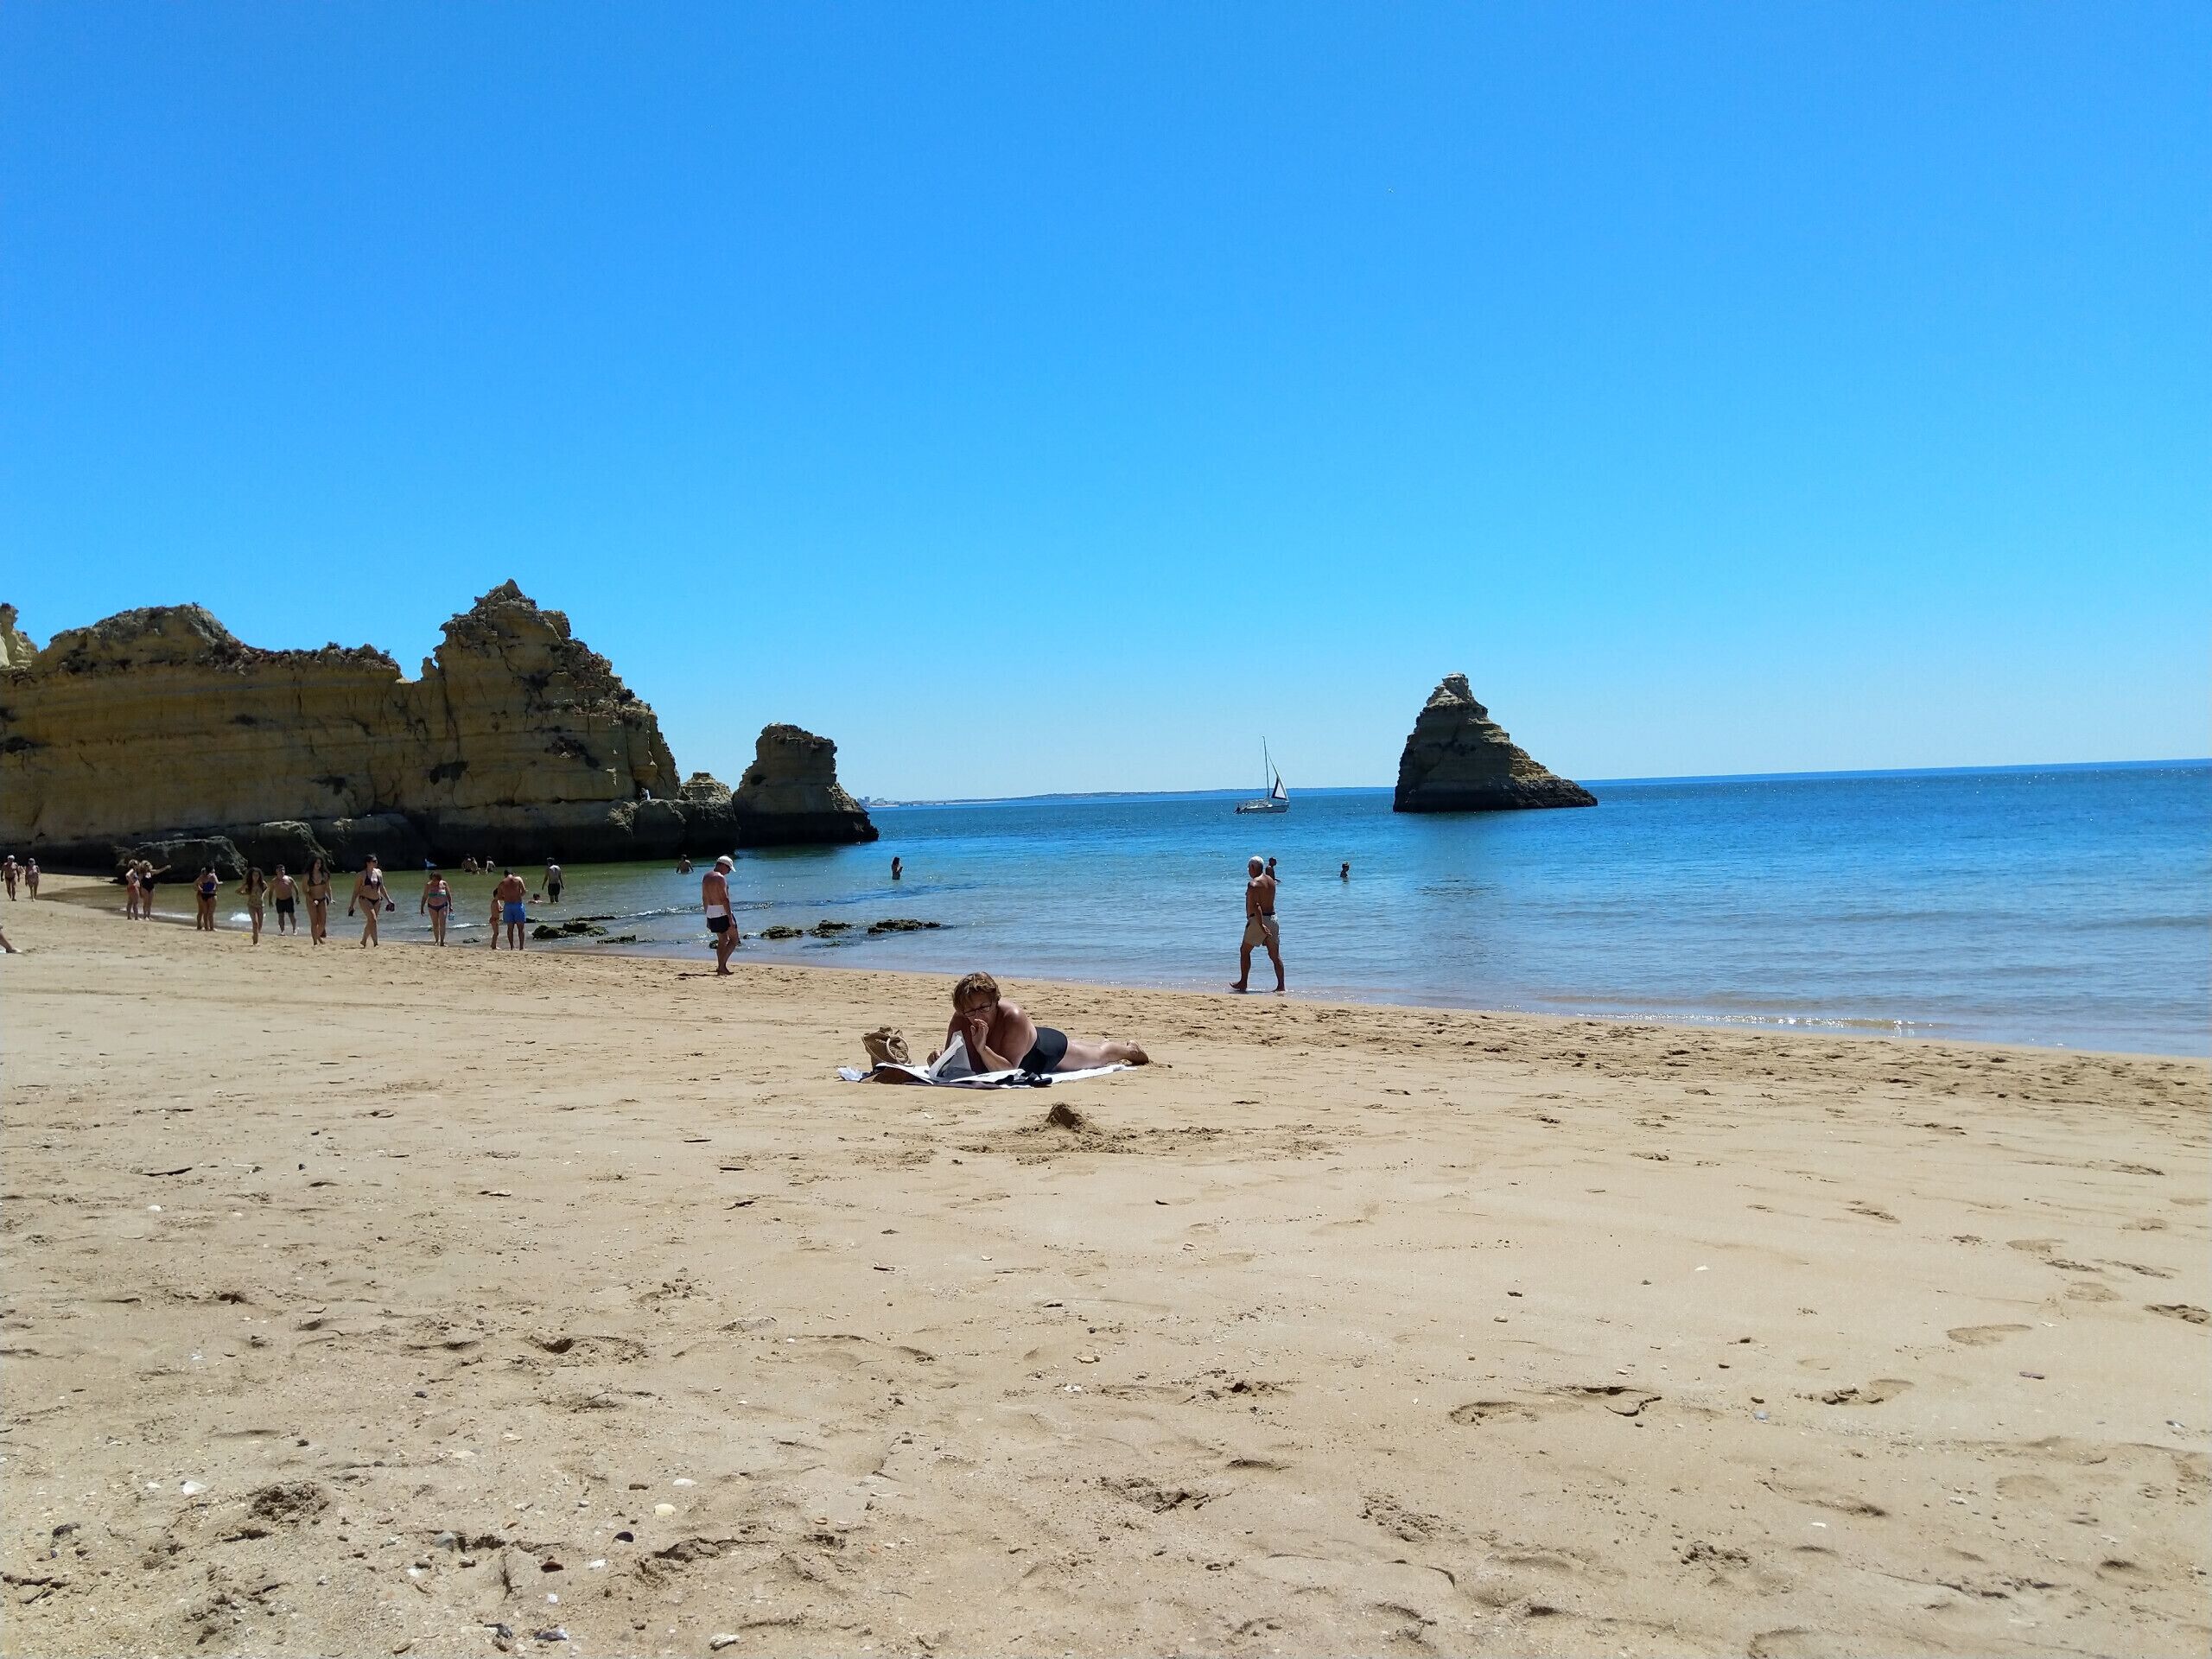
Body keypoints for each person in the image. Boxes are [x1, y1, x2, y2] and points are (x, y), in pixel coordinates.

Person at [934, 971, 1148, 1075]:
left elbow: (1008, 1071)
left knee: (1099, 1056)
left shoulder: (1013, 1016)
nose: (976, 1015)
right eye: (969, 1010)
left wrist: (982, 1048)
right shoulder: (961, 1018)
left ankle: (1130, 1050)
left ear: (995, 1001)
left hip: (1044, 1051)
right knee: (1086, 1049)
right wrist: (940, 1061)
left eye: (984, 1007)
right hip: (1021, 1043)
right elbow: (956, 1063)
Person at [1230, 855, 1283, 995]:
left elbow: (1256, 906)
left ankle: (1243, 983)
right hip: (1273, 918)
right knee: (1275, 955)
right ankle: (1281, 986)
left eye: (1249, 867)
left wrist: (1261, 926)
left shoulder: (1253, 884)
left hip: (1258, 920)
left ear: (1253, 867)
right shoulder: (1271, 881)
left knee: (1244, 950)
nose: (1248, 870)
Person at [701, 855, 740, 974]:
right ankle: (722, 966)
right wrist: (730, 918)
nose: (728, 872)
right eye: (728, 869)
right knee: (734, 939)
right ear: (723, 865)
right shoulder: (720, 878)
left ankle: (720, 966)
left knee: (722, 939)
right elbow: (724, 899)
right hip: (722, 911)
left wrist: (707, 915)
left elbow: (704, 898)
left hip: (711, 911)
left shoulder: (706, 876)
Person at [349, 855, 394, 946]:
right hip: (365, 899)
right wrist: (352, 905)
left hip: (377, 900)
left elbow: (382, 887)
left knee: (371, 921)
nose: (376, 862)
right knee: (373, 920)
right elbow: (356, 891)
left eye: (376, 861)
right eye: (374, 861)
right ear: (368, 863)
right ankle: (376, 943)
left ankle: (364, 940)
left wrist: (389, 900)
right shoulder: (361, 875)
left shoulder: (378, 872)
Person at [494, 868, 530, 950]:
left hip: (508, 906)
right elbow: (524, 891)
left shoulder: (502, 883)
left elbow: (499, 897)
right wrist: (517, 896)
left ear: (505, 875)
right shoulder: (518, 879)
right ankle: (521, 947)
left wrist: (507, 898)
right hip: (518, 905)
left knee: (510, 928)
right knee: (521, 928)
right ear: (513, 873)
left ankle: (512, 947)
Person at [421, 870, 454, 944]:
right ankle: (436, 940)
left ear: (439, 879)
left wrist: (451, 905)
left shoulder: (444, 884)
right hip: (432, 906)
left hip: (443, 906)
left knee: (443, 923)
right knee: (435, 924)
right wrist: (422, 907)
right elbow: (424, 897)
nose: (434, 881)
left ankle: (442, 942)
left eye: (436, 880)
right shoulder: (428, 885)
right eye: (433, 879)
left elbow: (449, 895)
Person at [304, 860, 333, 944]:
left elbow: (328, 887)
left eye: (320, 863)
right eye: (316, 863)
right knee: (314, 922)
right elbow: (304, 890)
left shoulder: (325, 875)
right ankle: (315, 942)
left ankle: (317, 936)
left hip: (322, 899)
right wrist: (312, 900)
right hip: (311, 900)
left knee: (322, 923)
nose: (318, 865)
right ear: (312, 864)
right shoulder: (307, 876)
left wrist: (331, 898)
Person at [237, 866, 268, 944]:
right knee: (255, 922)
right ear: (251, 876)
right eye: (254, 875)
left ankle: (255, 935)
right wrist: (246, 893)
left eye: (257, 875)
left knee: (260, 925)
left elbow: (266, 888)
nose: (256, 877)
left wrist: (263, 895)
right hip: (251, 905)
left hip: (260, 905)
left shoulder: (262, 883)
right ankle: (255, 941)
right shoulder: (248, 884)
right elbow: (237, 891)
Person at [270, 865, 299, 934]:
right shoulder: (274, 881)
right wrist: (270, 900)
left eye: (283, 870)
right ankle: (282, 931)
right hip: (279, 900)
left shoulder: (289, 879)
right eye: (280, 870)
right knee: (280, 916)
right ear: (276, 872)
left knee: (291, 915)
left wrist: (297, 897)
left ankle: (294, 929)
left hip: (289, 899)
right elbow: (271, 891)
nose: (282, 871)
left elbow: (296, 888)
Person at [194, 866, 220, 931]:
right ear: (211, 870)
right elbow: (217, 883)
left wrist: (201, 890)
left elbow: (195, 884)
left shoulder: (202, 876)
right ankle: (211, 928)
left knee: (205, 912)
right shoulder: (213, 876)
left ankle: (206, 927)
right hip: (211, 894)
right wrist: (215, 890)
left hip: (204, 895)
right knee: (210, 913)